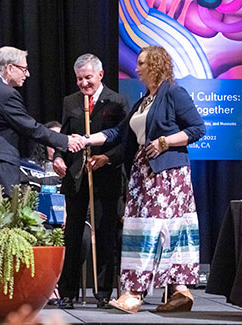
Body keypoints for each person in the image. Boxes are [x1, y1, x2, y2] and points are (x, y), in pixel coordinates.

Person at [84, 45, 205, 313]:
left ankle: (138, 292)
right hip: (144, 174)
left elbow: (197, 129)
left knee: (159, 229)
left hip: (168, 176)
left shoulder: (173, 93)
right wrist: (86, 139)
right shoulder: (143, 101)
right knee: (149, 228)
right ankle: (178, 291)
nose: (136, 68)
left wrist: (164, 141)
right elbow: (119, 133)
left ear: (156, 64)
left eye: (141, 63)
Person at [0, 46, 86, 203]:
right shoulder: (5, 93)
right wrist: (66, 141)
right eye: (24, 69)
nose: (27, 74)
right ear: (9, 68)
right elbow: (31, 128)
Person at [53, 53, 129, 309]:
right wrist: (58, 158)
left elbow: (125, 142)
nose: (83, 84)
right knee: (73, 236)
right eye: (79, 79)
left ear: (100, 74)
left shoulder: (117, 102)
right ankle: (67, 293)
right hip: (76, 178)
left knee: (105, 235)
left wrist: (107, 158)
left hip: (106, 178)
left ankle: (104, 292)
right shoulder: (70, 101)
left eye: (87, 78)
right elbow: (63, 136)